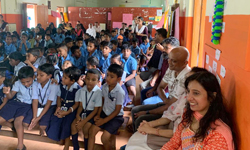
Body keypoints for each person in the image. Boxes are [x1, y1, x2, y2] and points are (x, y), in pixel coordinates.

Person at [125, 67, 208, 150]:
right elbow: (171, 112)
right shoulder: (185, 97)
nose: (190, 97)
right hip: (170, 124)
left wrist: (150, 127)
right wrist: (149, 125)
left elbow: (178, 135)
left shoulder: (203, 120)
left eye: (196, 93)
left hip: (171, 130)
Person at [161, 71, 235, 150]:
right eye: (188, 91)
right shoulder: (189, 114)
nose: (189, 98)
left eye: (196, 93)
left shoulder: (218, 135)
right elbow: (174, 142)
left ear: (212, 96)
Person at [131, 46, 191, 132]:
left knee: (140, 119)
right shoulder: (172, 69)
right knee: (135, 110)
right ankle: (135, 137)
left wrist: (148, 112)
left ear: (185, 63)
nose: (169, 62)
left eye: (174, 61)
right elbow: (161, 87)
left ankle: (140, 140)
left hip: (175, 112)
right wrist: (166, 100)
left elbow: (171, 106)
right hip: (168, 103)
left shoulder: (186, 78)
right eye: (169, 59)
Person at [88, 64, 125, 150]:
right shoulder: (104, 86)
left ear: (118, 79)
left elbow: (117, 111)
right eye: (107, 75)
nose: (107, 78)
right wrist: (98, 114)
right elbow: (102, 101)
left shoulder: (120, 92)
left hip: (116, 117)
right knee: (91, 131)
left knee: (104, 138)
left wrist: (103, 121)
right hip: (104, 113)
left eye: (112, 77)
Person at [46, 67, 81, 150]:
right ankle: (59, 138)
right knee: (54, 119)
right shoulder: (62, 86)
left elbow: (76, 104)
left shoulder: (77, 89)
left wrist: (67, 112)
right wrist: (59, 108)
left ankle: (66, 146)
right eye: (63, 76)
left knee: (66, 125)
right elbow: (59, 97)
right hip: (62, 107)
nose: (62, 79)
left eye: (65, 78)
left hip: (72, 110)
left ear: (72, 81)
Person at [1, 66, 35, 150]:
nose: (26, 84)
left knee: (18, 121)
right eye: (23, 82)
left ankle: (20, 146)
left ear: (33, 77)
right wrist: (7, 93)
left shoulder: (37, 84)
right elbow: (10, 96)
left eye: (28, 81)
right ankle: (11, 126)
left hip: (27, 105)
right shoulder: (18, 83)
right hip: (16, 103)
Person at [140, 37, 180, 104]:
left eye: (166, 48)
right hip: (161, 89)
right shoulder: (165, 59)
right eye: (163, 47)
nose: (163, 50)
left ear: (175, 50)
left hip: (168, 93)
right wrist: (154, 89)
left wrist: (155, 91)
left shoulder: (175, 65)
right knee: (144, 92)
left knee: (145, 102)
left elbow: (168, 85)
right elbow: (161, 76)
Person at [22, 64, 58, 136]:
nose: (38, 77)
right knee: (25, 123)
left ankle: (41, 123)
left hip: (50, 106)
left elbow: (49, 103)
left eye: (41, 75)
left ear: (49, 76)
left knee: (43, 126)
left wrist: (38, 118)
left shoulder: (53, 85)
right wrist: (34, 117)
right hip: (38, 104)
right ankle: (39, 122)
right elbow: (35, 100)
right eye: (37, 74)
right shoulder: (35, 84)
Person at [71, 69, 102, 150]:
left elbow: (95, 110)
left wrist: (83, 122)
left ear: (98, 81)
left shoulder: (98, 92)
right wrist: (78, 116)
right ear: (84, 78)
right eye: (88, 79)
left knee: (86, 129)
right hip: (83, 112)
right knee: (73, 126)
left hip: (92, 114)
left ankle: (86, 147)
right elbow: (80, 106)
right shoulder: (82, 90)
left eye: (93, 80)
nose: (90, 82)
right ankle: (76, 148)